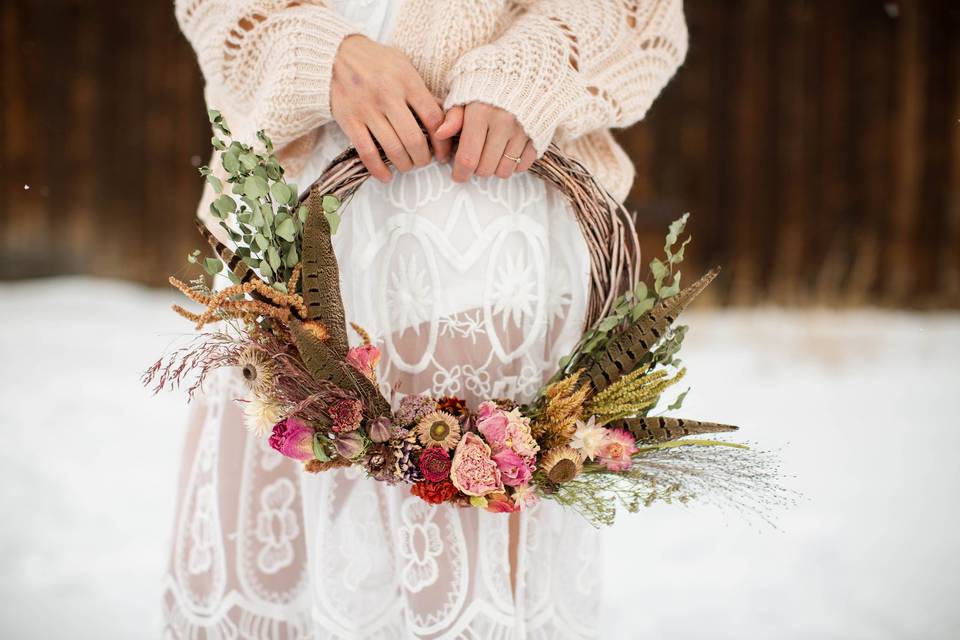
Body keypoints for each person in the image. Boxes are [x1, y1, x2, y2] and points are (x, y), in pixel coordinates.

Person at [164, 1, 688, 637]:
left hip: (477, 253)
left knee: (462, 569)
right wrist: (320, 52)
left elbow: (639, 13)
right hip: (276, 235)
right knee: (287, 571)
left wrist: (531, 71)